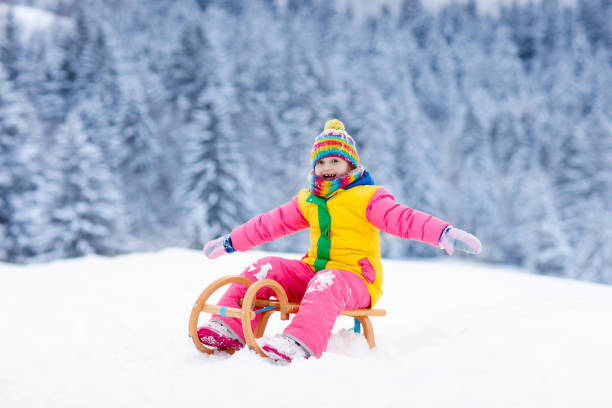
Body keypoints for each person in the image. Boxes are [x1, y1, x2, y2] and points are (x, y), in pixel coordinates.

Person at [198, 119, 482, 363]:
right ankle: (229, 327)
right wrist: (230, 242)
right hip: (313, 274)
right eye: (321, 162)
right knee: (265, 267)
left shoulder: (368, 197)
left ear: (350, 163)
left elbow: (404, 218)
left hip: (356, 279)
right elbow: (270, 224)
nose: (327, 167)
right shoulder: (308, 199)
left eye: (335, 160)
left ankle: (299, 343)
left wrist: (443, 233)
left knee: (329, 280)